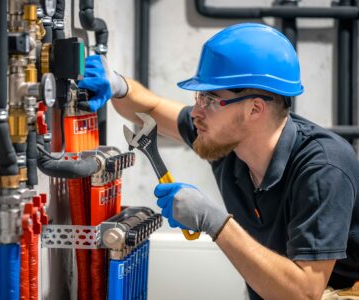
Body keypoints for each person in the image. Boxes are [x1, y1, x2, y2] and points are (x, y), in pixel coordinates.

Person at [79, 23, 359, 300]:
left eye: (210, 99)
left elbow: (304, 293)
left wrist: (216, 223)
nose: (197, 112)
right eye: (199, 96)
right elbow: (148, 109)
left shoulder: (323, 169)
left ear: (255, 108)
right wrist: (118, 86)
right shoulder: (226, 140)